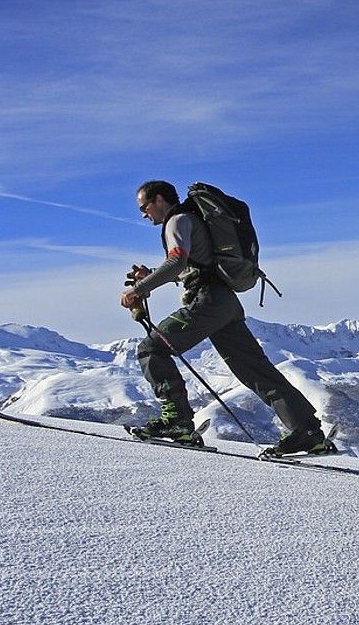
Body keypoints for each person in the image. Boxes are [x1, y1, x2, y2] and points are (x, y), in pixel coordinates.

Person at [120, 179, 329, 455]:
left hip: (207, 301)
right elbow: (193, 265)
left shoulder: (177, 220)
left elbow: (177, 262)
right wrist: (150, 276)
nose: (143, 214)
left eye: (144, 207)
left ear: (159, 200)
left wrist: (138, 290)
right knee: (255, 370)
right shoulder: (192, 219)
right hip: (224, 302)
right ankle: (308, 432)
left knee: (151, 348)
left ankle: (177, 422)